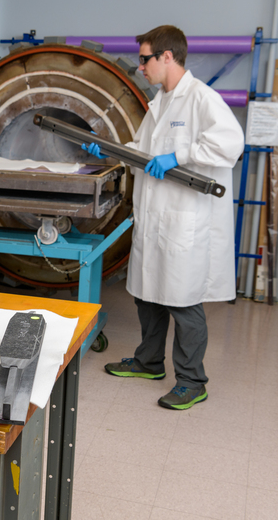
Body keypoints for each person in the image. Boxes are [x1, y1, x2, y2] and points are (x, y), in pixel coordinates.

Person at [83, 25, 244, 410]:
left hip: (186, 220)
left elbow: (230, 142)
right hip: (156, 218)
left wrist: (179, 156)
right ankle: (149, 361)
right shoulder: (159, 104)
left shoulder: (201, 98)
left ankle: (193, 381)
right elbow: (142, 152)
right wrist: (109, 151)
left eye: (144, 59)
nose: (140, 66)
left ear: (167, 57)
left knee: (184, 302)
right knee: (147, 295)